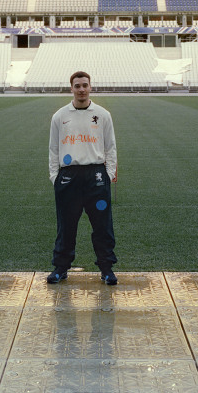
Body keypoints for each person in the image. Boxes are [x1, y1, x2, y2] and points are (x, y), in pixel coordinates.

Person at [47, 71, 118, 285]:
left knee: (102, 226)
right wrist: (55, 177)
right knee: (66, 226)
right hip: (68, 178)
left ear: (90, 87)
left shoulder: (103, 114)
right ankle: (60, 268)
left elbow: (110, 146)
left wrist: (109, 174)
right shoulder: (60, 116)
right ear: (71, 88)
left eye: (84, 85)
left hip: (96, 177)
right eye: (77, 86)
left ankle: (106, 269)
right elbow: (53, 148)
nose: (81, 89)